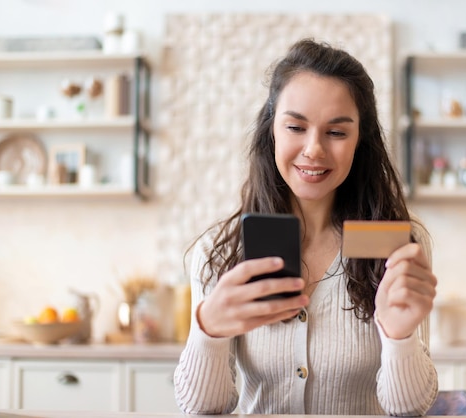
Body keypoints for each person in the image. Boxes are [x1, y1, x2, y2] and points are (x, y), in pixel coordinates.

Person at [174, 38, 438, 415]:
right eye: (296, 127)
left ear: (360, 141)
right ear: (272, 131)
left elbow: (409, 409)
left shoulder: (393, 245)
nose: (314, 149)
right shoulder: (220, 251)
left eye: (336, 132)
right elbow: (201, 407)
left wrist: (400, 337)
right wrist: (208, 330)